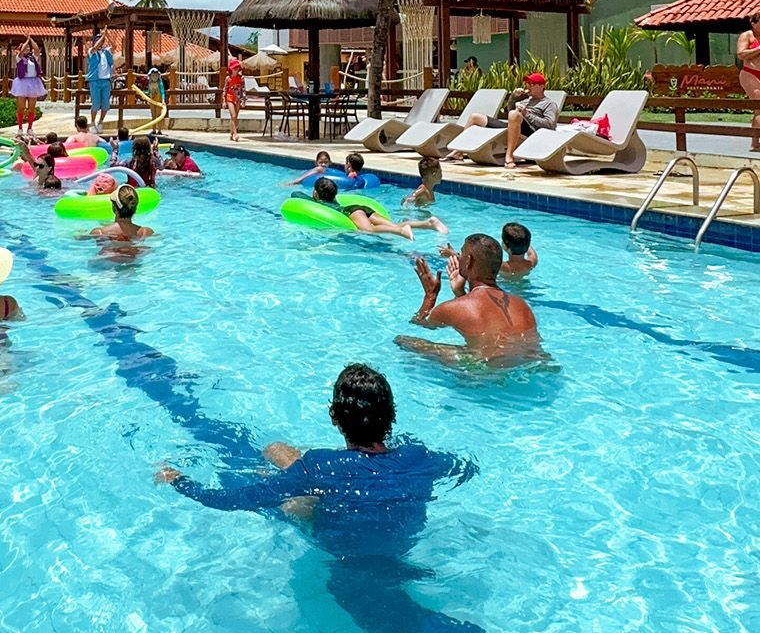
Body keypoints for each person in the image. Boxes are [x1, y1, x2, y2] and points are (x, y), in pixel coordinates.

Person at [155, 363, 471, 544]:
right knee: (282, 458)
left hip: (338, 546)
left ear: (334, 416)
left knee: (279, 467)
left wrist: (179, 481)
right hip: (401, 544)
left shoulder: (319, 466)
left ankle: (278, 480)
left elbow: (228, 501)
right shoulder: (421, 457)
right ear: (391, 415)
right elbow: (465, 468)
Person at [406, 233, 541, 363]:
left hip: (486, 371)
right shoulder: (521, 304)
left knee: (405, 341)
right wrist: (459, 292)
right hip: (535, 361)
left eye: (462, 254)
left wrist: (430, 296)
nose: (459, 258)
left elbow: (420, 323)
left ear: (469, 261)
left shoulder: (453, 308)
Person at [463, 71, 559, 170]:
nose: (528, 87)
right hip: (514, 127)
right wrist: (514, 98)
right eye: (528, 84)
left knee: (514, 114)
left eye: (532, 84)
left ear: (542, 86)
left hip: (532, 133)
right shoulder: (526, 100)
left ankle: (509, 156)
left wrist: (527, 114)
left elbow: (550, 125)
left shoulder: (549, 104)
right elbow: (510, 112)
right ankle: (458, 152)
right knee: (475, 117)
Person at [313, 176, 446, 238]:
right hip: (362, 207)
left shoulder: (320, 204)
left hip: (352, 211)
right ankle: (429, 223)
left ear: (315, 193)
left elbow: (298, 194)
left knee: (369, 230)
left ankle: (401, 232)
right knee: (393, 224)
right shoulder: (335, 200)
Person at [89, 182, 154, 245]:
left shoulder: (100, 232)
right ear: (135, 208)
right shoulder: (146, 232)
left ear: (114, 208)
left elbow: (81, 240)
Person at [10, 37, 46, 138]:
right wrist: (26, 42)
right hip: (22, 83)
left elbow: (37, 50)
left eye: (28, 48)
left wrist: (31, 40)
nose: (27, 49)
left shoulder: (33, 58)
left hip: (33, 82)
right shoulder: (19, 58)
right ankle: (20, 128)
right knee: (21, 108)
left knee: (31, 108)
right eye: (25, 48)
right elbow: (21, 52)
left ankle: (30, 128)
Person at [736, 12, 760, 152]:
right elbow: (740, 54)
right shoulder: (747, 35)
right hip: (750, 73)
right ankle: (755, 142)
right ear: (754, 23)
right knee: (759, 105)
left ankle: (755, 142)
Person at [85, 27, 114, 130]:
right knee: (96, 104)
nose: (100, 42)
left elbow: (114, 46)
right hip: (95, 81)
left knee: (106, 104)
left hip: (106, 80)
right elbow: (96, 46)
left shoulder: (106, 52)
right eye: (98, 40)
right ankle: (92, 122)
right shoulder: (91, 51)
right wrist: (103, 36)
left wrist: (108, 35)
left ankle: (101, 121)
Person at [223, 55, 246, 142]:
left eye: (237, 68)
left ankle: (231, 133)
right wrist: (224, 101)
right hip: (230, 97)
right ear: (231, 69)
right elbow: (225, 89)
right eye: (234, 68)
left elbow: (243, 90)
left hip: (238, 98)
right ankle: (235, 134)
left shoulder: (241, 78)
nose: (236, 69)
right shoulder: (228, 78)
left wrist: (244, 100)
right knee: (233, 115)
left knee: (235, 117)